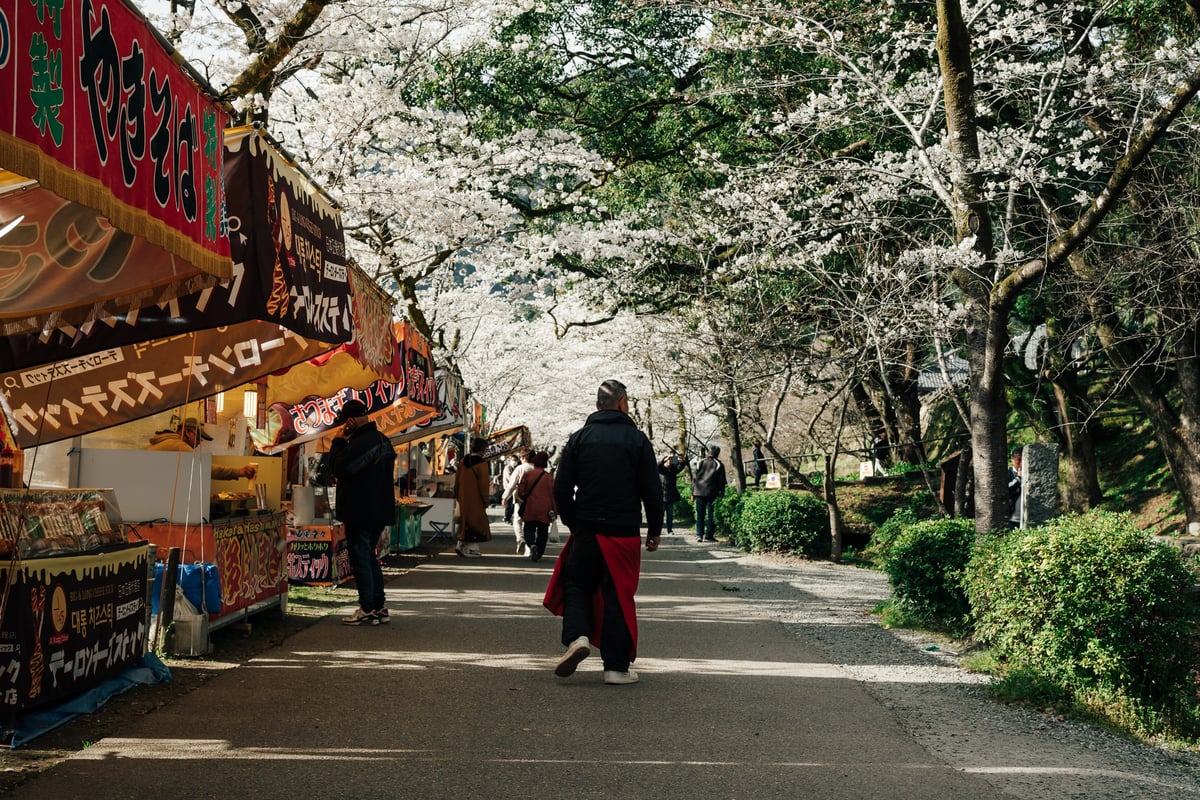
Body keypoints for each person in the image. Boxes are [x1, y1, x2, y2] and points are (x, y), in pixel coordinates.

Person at [543, 380, 663, 686]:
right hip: (623, 531)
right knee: (617, 596)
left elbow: (560, 487)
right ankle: (616, 668)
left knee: (577, 585)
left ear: (597, 405)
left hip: (587, 528)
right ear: (623, 403)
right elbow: (651, 489)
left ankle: (578, 636)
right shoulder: (638, 441)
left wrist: (574, 522)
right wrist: (654, 529)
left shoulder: (579, 438)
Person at [327, 400, 396, 626]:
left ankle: (367, 607)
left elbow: (338, 468)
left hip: (360, 509)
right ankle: (378, 606)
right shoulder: (383, 441)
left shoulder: (359, 444)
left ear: (350, 422)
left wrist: (337, 442)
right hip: (379, 509)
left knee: (361, 559)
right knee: (370, 557)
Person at [146, 417, 258, 482]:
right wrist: (239, 472)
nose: (199, 442)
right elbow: (205, 469)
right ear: (186, 432)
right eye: (198, 437)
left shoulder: (164, 443)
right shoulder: (177, 445)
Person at [455, 438, 492, 557]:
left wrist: (457, 494)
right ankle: (471, 548)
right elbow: (483, 484)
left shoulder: (463, 461)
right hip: (476, 498)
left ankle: (460, 544)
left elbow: (457, 480)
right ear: (483, 449)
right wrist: (486, 499)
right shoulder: (482, 464)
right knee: (477, 523)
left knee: (465, 520)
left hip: (463, 496)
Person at [517, 451, 556, 562]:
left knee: (529, 529)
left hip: (531, 507)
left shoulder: (528, 475)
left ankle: (532, 545)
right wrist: (555, 510)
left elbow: (521, 491)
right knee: (543, 532)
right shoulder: (549, 478)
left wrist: (524, 497)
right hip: (545, 509)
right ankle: (539, 553)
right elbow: (554, 495)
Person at [691, 444, 727, 543]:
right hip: (712, 492)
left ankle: (699, 535)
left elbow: (694, 478)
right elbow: (722, 481)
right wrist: (722, 493)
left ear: (709, 452)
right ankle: (709, 535)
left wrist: (692, 492)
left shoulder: (700, 462)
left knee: (700, 514)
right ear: (717, 454)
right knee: (711, 515)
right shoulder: (719, 464)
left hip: (699, 491)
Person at [503, 452, 535, 554]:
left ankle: (520, 539)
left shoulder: (520, 468)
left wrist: (505, 497)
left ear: (524, 458)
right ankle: (530, 546)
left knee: (517, 519)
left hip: (520, 498)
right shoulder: (539, 469)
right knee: (531, 522)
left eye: (521, 458)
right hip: (535, 499)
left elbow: (512, 484)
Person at [658, 452, 685, 534]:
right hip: (661, 495)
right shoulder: (661, 470)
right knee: (660, 515)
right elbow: (657, 465)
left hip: (670, 495)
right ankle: (658, 530)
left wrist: (681, 461)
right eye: (668, 461)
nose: (670, 462)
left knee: (670, 515)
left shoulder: (673, 470)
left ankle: (669, 530)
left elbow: (679, 467)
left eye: (671, 461)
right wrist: (665, 458)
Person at [1007, 448, 1023, 529]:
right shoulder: (1007, 473)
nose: (1021, 463)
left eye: (1024, 460)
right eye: (1019, 460)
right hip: (1011, 519)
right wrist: (1018, 479)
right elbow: (1006, 491)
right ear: (1012, 459)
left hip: (1026, 519)